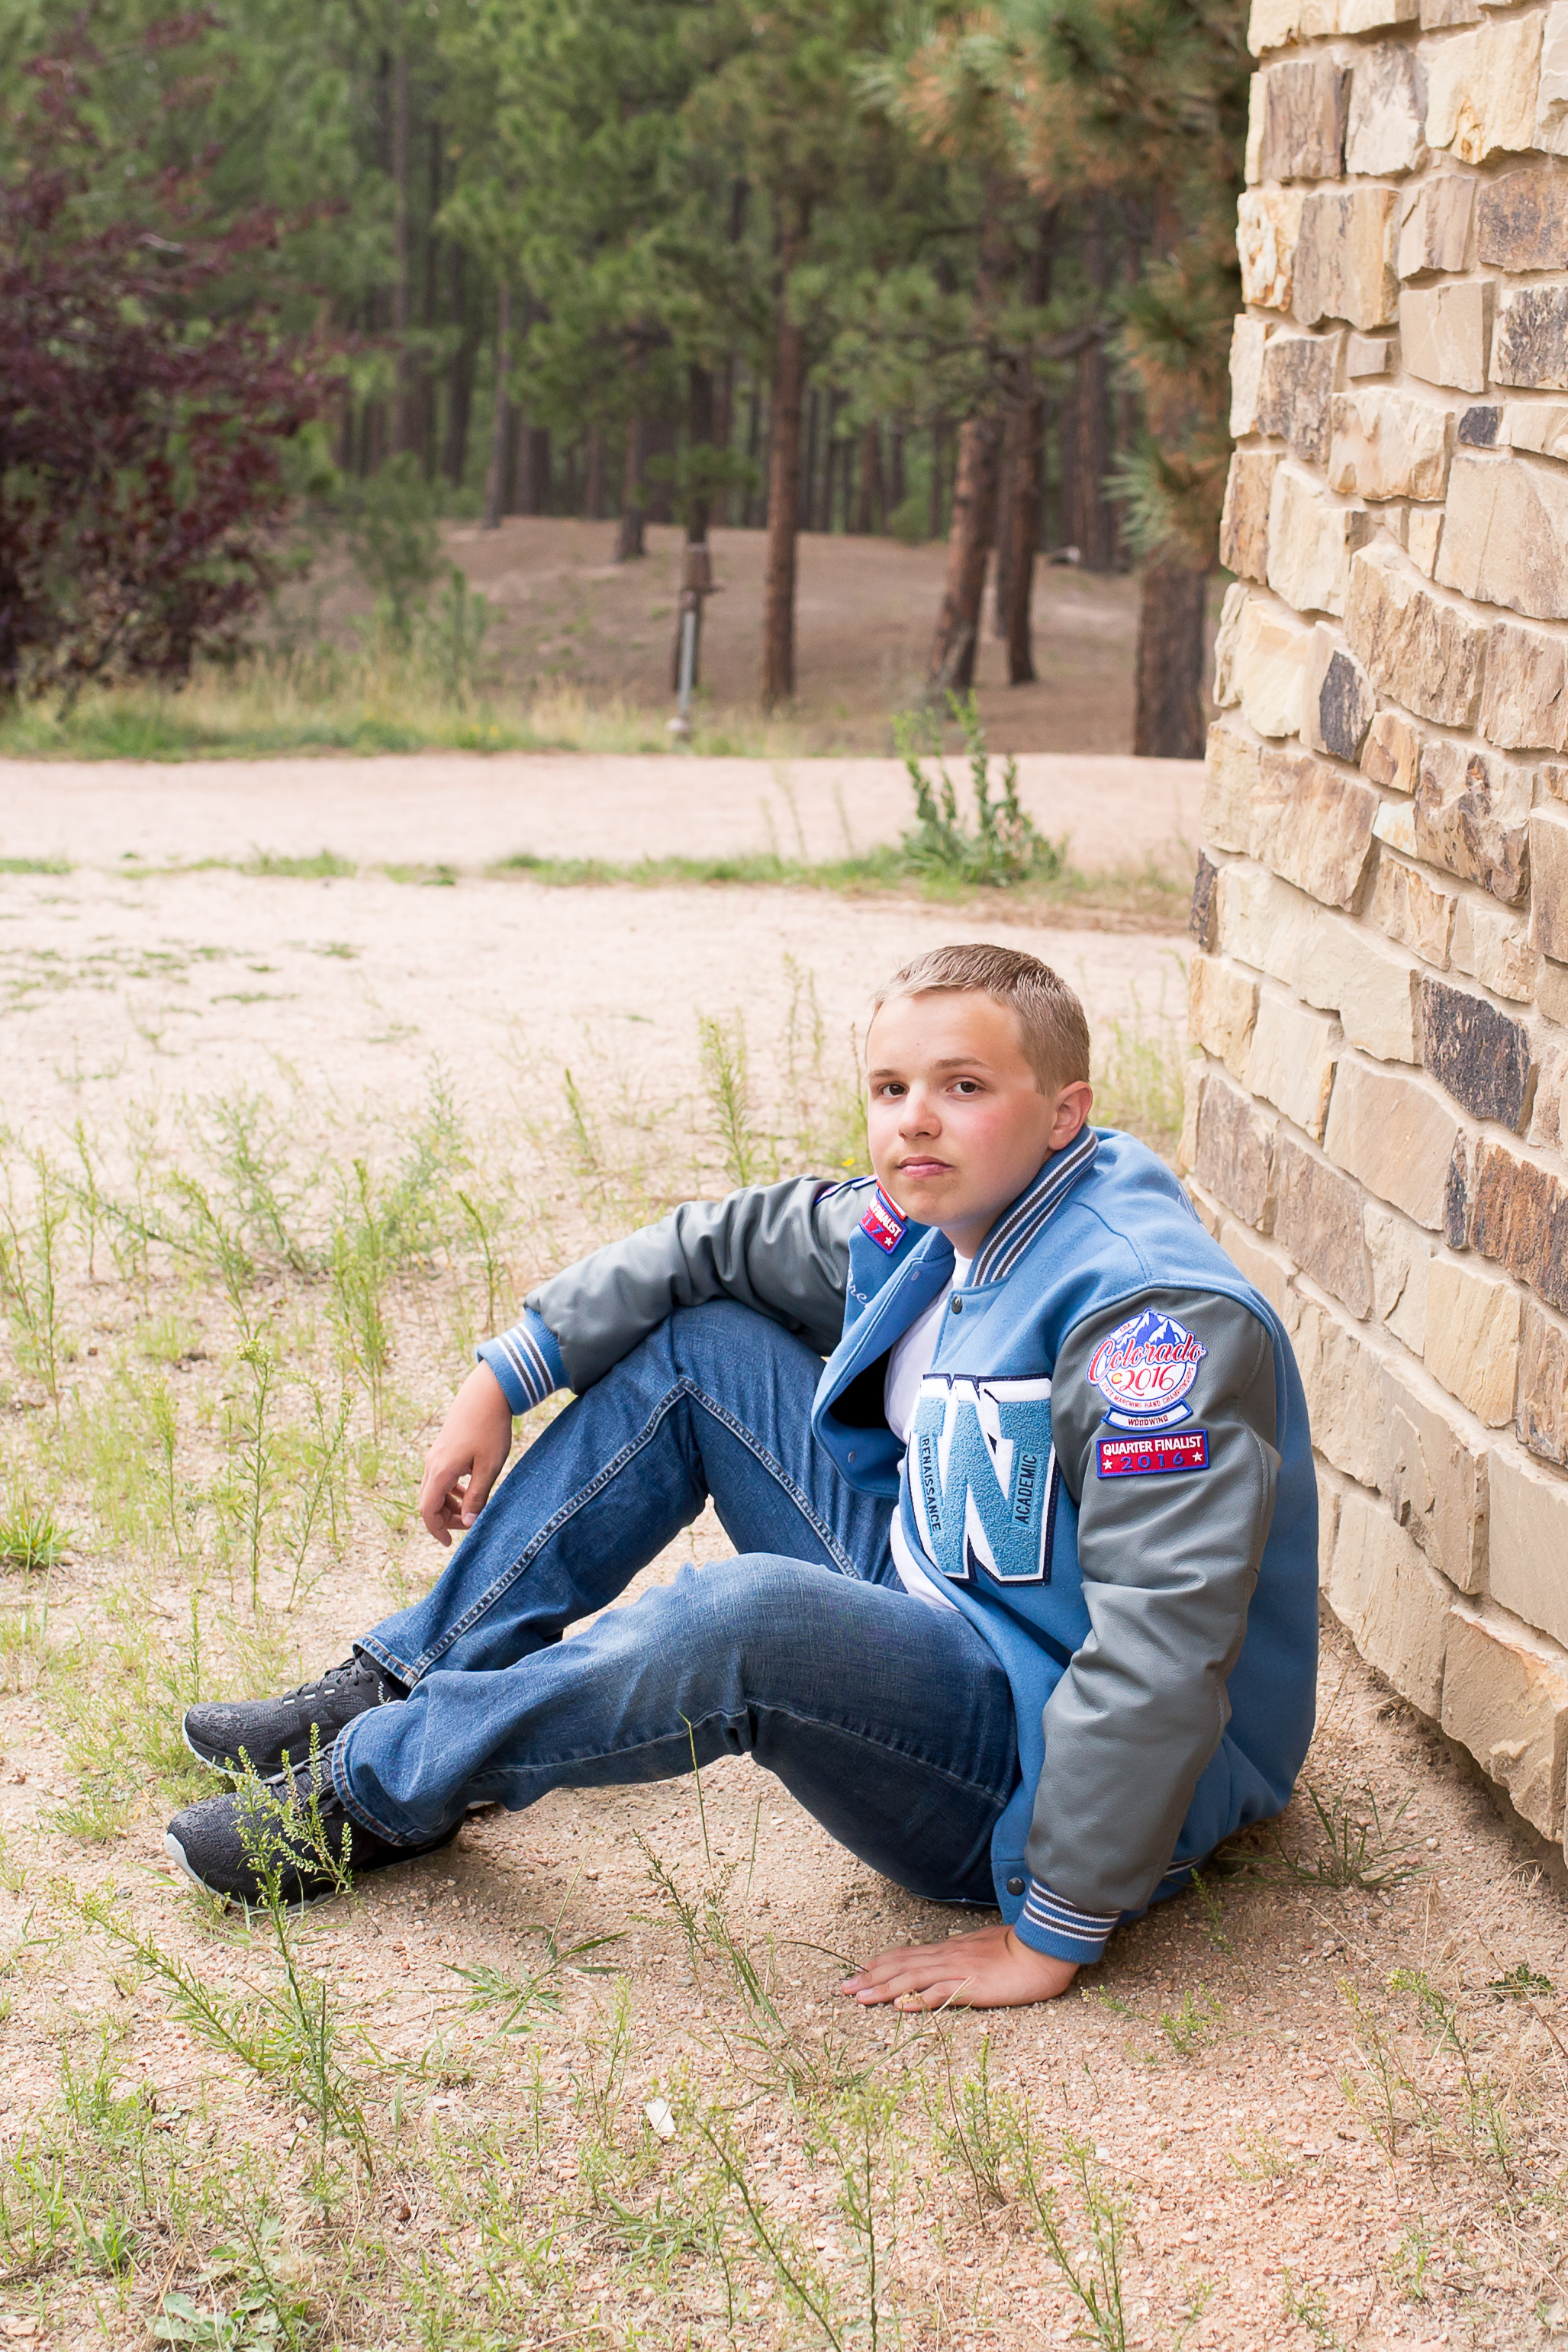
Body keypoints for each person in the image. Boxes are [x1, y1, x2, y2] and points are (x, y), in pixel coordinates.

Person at [166, 942, 1318, 2012]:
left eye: (964, 1085)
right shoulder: (941, 1204)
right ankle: (405, 1676)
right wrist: (505, 1375)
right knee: (701, 1349)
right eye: (890, 1088)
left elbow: (1165, 1641)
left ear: (1066, 1115)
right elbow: (710, 1245)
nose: (916, 1118)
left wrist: (1050, 1931)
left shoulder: (1148, 1323)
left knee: (745, 1616)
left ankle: (375, 1789)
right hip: (942, 1593)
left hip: (1024, 1752)